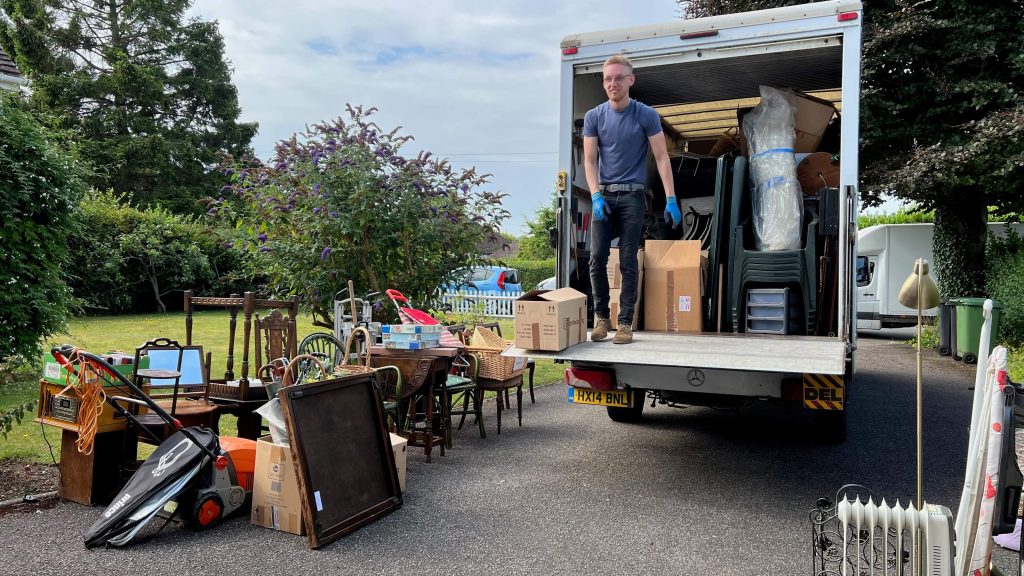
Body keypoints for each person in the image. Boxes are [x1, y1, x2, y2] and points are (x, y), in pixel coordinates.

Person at [584, 53, 680, 345]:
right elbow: (589, 162)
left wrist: (671, 199)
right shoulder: (594, 117)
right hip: (605, 196)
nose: (613, 83)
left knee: (627, 260)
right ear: (604, 83)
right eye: (608, 79)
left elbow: (662, 158)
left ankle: (624, 324)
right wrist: (596, 196)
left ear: (630, 80)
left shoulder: (646, 115)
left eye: (618, 78)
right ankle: (601, 319)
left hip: (633, 197)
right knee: (596, 258)